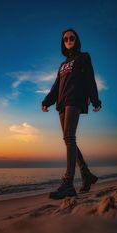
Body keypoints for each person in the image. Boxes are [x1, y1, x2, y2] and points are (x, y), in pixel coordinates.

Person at [42, 28, 102, 199]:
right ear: (63, 42)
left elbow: (90, 79)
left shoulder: (83, 57)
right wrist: (47, 101)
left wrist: (95, 100)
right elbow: (56, 86)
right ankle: (86, 174)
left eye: (71, 37)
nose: (68, 40)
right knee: (69, 140)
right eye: (66, 38)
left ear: (76, 39)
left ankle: (68, 184)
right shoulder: (62, 65)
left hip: (75, 100)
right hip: (61, 103)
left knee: (69, 137)